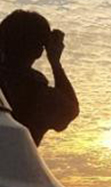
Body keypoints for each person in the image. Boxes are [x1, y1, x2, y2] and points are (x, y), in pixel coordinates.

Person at [0, 10, 79, 145]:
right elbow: (70, 110)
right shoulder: (37, 94)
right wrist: (55, 63)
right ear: (39, 51)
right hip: (13, 164)